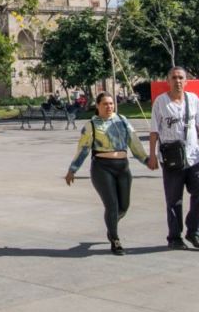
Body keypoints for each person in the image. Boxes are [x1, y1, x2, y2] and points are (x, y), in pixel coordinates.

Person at [65, 93, 153, 255]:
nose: (109, 107)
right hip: (102, 168)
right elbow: (83, 148)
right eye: (105, 104)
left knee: (124, 207)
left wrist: (146, 159)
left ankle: (111, 224)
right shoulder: (91, 125)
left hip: (122, 167)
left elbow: (134, 141)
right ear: (98, 106)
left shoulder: (122, 120)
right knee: (112, 205)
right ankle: (115, 239)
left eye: (111, 103)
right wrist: (73, 169)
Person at [148, 67, 199, 250]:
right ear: (168, 81)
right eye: (174, 78)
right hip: (172, 159)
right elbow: (154, 130)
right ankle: (174, 237)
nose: (177, 81)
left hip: (194, 156)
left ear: (186, 81)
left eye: (181, 78)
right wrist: (152, 155)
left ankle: (193, 231)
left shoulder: (193, 99)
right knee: (174, 200)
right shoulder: (161, 102)